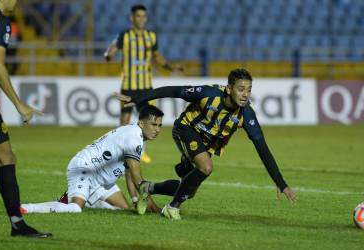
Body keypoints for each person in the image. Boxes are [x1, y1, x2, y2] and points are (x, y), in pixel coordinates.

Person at [116, 68, 297, 220]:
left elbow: (263, 149)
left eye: (249, 90)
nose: (245, 94)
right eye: (241, 89)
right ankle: (171, 208)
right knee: (206, 167)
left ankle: (149, 187)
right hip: (186, 129)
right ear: (228, 88)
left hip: (208, 144)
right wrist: (138, 99)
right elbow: (173, 91)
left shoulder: (247, 115)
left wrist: (281, 183)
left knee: (190, 190)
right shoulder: (208, 94)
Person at [21, 106, 167, 215]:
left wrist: (135, 201)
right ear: (142, 123)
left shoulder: (138, 136)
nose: (157, 130)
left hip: (100, 179)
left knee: (122, 208)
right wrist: (153, 206)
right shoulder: (133, 137)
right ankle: (27, 207)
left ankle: (83, 197)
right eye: (153, 125)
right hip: (86, 168)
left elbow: (130, 172)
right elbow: (137, 178)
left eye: (160, 125)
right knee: (75, 209)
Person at [0, 0, 52, 237]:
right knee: (5, 156)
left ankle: (18, 224)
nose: (16, 3)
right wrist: (19, 104)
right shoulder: (0, 20)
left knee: (5, 155)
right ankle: (18, 224)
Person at [104, 4, 183, 164]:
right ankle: (120, 153)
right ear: (132, 18)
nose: (141, 19)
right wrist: (109, 55)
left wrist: (170, 66)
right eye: (138, 16)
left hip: (146, 87)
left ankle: (140, 152)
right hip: (128, 86)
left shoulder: (151, 36)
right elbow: (111, 51)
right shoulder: (124, 36)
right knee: (124, 122)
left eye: (143, 16)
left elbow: (158, 56)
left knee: (149, 121)